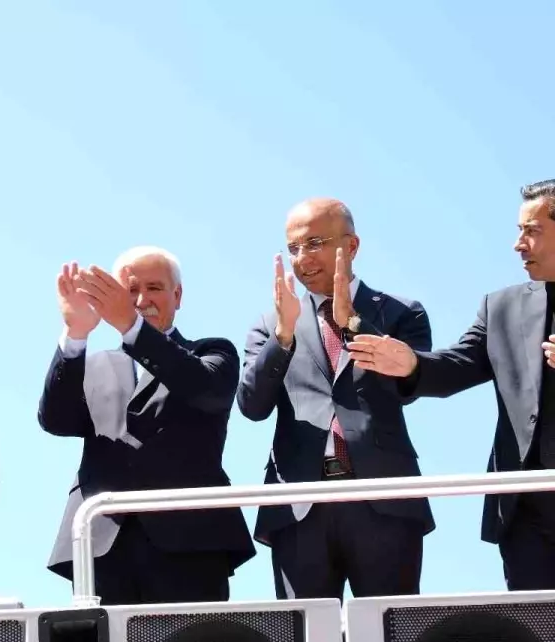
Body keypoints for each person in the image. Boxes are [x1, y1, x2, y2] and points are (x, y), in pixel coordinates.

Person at [349, 180, 555, 590]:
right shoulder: (501, 307)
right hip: (525, 508)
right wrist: (410, 363)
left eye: (531, 230)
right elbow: (456, 366)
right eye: (519, 230)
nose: (518, 244)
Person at [238, 199, 433, 600]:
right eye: (293, 248)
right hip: (299, 505)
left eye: (315, 243)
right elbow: (252, 406)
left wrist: (352, 324)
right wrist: (283, 337)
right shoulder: (272, 323)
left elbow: (405, 386)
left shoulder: (402, 313)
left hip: (383, 501)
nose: (302, 258)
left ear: (352, 246)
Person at [39, 248, 254, 604]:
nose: (141, 300)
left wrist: (131, 328)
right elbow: (55, 420)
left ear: (177, 296)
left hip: (191, 543)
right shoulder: (92, 364)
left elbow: (206, 390)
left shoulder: (213, 353)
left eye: (154, 288)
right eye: (130, 290)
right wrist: (75, 334)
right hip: (102, 544)